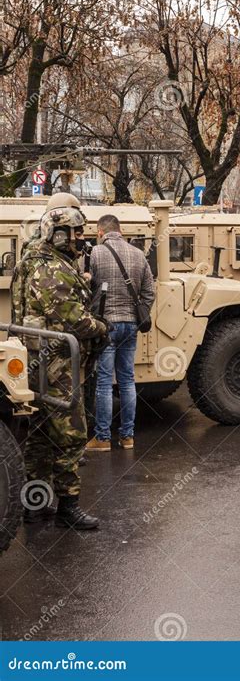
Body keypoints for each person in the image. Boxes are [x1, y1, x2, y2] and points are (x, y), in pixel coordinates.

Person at [11, 195, 107, 529]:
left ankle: (35, 503)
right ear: (56, 233)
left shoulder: (34, 258)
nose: (80, 237)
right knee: (71, 434)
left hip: (36, 360)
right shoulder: (50, 267)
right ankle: (69, 507)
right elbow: (75, 319)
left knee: (39, 434)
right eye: (74, 232)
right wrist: (102, 328)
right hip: (53, 365)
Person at [86, 215, 155, 452]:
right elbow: (149, 291)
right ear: (120, 230)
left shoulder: (94, 254)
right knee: (127, 380)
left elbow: (84, 288)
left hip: (105, 325)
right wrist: (138, 316)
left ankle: (103, 438)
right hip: (130, 325)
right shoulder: (138, 255)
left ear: (100, 232)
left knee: (104, 382)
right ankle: (128, 437)